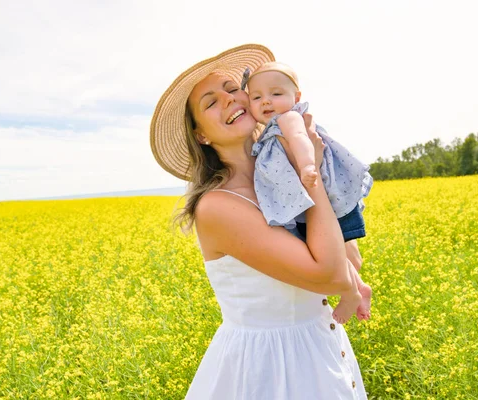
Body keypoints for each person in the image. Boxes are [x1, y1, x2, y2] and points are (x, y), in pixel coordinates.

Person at [150, 44, 367, 399]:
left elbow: (352, 262)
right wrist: (307, 172)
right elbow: (330, 275)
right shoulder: (217, 207)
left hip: (321, 348)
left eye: (233, 89)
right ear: (202, 135)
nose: (229, 99)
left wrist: (305, 164)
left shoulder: (277, 181)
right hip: (269, 371)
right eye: (210, 102)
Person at [243, 61, 374, 323]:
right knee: (327, 252)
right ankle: (358, 288)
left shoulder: (289, 118)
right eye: (256, 97)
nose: (266, 101)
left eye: (276, 94)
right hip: (305, 201)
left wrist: (307, 167)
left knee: (333, 254)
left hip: (321, 192)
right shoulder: (268, 132)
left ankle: (350, 293)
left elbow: (301, 141)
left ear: (296, 98)